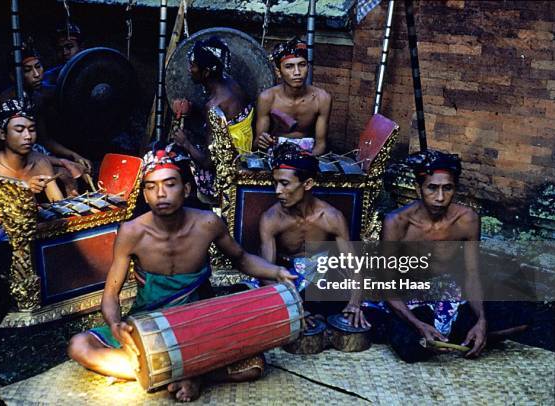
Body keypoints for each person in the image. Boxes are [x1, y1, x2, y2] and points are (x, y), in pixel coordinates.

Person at [67, 144, 296, 402]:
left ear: (186, 189)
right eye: (151, 186)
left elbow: (241, 259)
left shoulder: (207, 223)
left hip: (199, 319)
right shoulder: (131, 232)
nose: (160, 193)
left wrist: (277, 272)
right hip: (148, 321)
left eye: (169, 184)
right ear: (144, 194)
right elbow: (111, 293)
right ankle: (189, 373)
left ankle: (165, 373)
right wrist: (115, 325)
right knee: (80, 346)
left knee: (254, 365)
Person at [378, 150, 528, 362]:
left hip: (447, 294)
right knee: (411, 347)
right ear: (417, 188)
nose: (440, 198)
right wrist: (418, 324)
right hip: (407, 297)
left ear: (455, 189)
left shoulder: (467, 220)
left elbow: (472, 275)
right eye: (432, 188)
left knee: (521, 319)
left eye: (447, 188)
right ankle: (442, 334)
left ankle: (459, 334)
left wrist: (481, 320)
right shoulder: (397, 222)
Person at [0, 98, 64, 328]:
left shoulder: (41, 161)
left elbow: (59, 205)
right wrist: (24, 192)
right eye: (20, 129)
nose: (27, 136)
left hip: (40, 230)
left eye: (32, 130)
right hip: (4, 239)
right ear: (3, 134)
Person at [258, 143, 368, 328]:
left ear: (307, 184)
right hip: (287, 284)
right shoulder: (270, 219)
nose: (277, 191)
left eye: (284, 184)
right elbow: (266, 274)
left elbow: (353, 267)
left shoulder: (331, 217)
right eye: (275, 183)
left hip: (321, 283)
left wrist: (354, 304)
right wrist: (295, 306)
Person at [0, 41, 91, 194]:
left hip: (35, 155)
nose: (36, 74)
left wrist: (73, 155)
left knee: (80, 169)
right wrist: (63, 163)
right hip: (12, 161)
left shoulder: (37, 98)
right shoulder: (7, 102)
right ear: (14, 77)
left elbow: (45, 140)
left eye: (38, 67)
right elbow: (11, 150)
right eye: (28, 70)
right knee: (66, 174)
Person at [171, 37, 253, 202]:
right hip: (239, 154)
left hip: (228, 175)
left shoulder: (214, 105)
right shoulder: (231, 84)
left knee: (173, 155)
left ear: (206, 72)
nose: (189, 69)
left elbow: (209, 162)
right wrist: (193, 109)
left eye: (193, 65)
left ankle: (193, 205)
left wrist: (185, 143)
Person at [254, 37, 332, 156]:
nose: (297, 72)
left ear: (308, 67)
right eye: (289, 66)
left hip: (308, 154)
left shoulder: (322, 99)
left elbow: (321, 144)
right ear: (278, 72)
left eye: (302, 65)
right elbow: (257, 143)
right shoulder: (268, 98)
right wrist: (262, 142)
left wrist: (306, 160)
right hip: (275, 154)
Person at [42, 22, 84, 89]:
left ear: (81, 47)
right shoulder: (51, 75)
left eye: (69, 46)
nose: (64, 53)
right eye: (59, 49)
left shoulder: (94, 68)